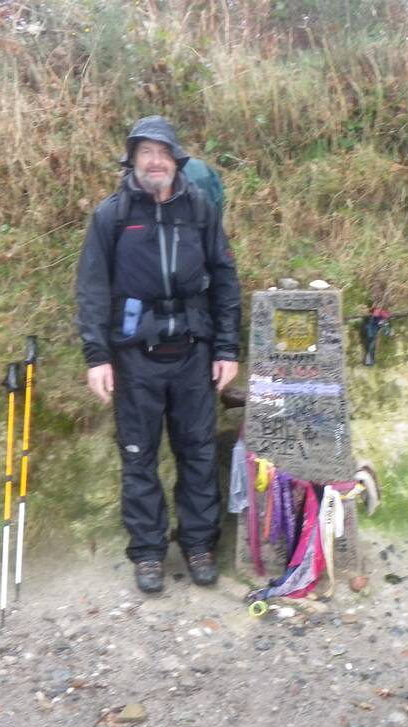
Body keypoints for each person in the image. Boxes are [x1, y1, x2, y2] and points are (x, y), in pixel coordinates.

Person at [75, 116, 241, 593]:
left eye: (163, 152)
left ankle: (199, 544)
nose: (155, 161)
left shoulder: (200, 209)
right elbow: (92, 289)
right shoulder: (112, 215)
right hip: (134, 358)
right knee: (138, 456)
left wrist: (227, 348)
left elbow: (225, 280)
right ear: (132, 160)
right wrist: (97, 358)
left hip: (194, 352)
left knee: (198, 453)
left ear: (176, 160)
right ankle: (148, 553)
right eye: (145, 152)